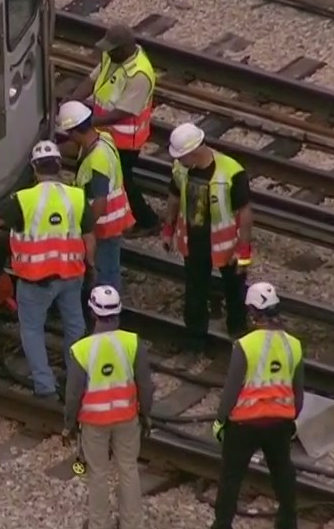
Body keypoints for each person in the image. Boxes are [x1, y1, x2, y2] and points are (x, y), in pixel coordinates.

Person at [0, 141, 96, 400]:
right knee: (75, 326)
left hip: (35, 279)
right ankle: (77, 383)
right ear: (60, 166)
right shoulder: (76, 196)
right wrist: (90, 266)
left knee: (32, 330)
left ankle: (45, 387)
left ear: (34, 168)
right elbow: (89, 237)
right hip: (71, 275)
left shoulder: (24, 200)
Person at [200, 282, 305, 529]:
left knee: (231, 478)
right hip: (280, 422)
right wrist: (291, 418)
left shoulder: (245, 345)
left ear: (252, 312)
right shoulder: (294, 345)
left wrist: (221, 419)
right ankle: (288, 526)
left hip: (245, 423)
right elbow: (298, 393)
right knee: (283, 473)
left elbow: (232, 389)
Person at [62, 285, 155, 529]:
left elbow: (73, 394)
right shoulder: (132, 343)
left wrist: (69, 425)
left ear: (92, 312)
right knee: (128, 469)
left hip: (94, 423)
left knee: (98, 473)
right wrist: (146, 415)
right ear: (118, 312)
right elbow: (146, 385)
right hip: (127, 418)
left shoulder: (82, 350)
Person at [162, 123, 253, 358]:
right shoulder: (181, 169)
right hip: (193, 241)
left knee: (235, 290)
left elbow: (244, 213)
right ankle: (194, 342)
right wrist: (168, 228)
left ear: (195, 151)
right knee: (195, 293)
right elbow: (174, 197)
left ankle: (239, 334)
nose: (179, 161)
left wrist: (243, 248)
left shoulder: (231, 172)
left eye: (182, 156)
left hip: (227, 245)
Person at [67, 23, 159, 237]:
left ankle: (148, 221)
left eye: (112, 48)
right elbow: (92, 80)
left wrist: (89, 122)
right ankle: (144, 218)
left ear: (125, 48)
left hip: (127, 140)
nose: (107, 52)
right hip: (108, 133)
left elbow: (123, 112)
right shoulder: (112, 57)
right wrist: (72, 99)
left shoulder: (139, 74)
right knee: (122, 179)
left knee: (124, 180)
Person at [58, 100, 135, 293]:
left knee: (105, 272)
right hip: (113, 219)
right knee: (108, 267)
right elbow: (76, 148)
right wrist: (54, 150)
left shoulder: (96, 162)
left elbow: (99, 201)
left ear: (75, 132)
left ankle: (105, 313)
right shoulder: (103, 138)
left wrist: (85, 228)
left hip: (104, 224)